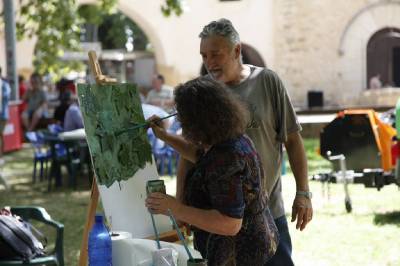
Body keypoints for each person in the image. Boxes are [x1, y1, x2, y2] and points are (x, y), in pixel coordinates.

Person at [176, 18, 312, 266]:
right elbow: (189, 154)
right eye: (204, 56)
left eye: (215, 54)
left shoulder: (267, 81)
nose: (209, 63)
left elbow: (293, 140)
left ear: (236, 50)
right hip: (217, 218)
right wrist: (181, 200)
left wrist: (303, 193)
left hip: (268, 212)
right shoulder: (203, 93)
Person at [146, 77, 279, 265]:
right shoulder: (227, 139)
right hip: (249, 243)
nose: (178, 118)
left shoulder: (226, 157)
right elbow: (199, 156)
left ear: (199, 118)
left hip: (239, 254)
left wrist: (176, 208)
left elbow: (230, 223)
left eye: (182, 115)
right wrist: (165, 136)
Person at [0, 67, 11, 163]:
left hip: (2, 115)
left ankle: (1, 156)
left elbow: (5, 96)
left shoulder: (5, 85)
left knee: (0, 135)